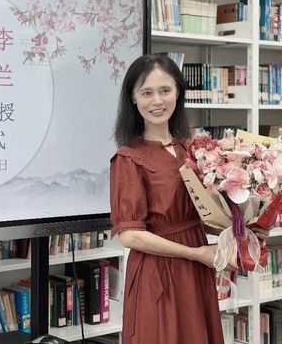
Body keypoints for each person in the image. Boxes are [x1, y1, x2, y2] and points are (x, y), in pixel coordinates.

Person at [110, 54, 268, 344]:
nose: (157, 101)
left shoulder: (193, 150)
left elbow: (202, 215)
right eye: (146, 93)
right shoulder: (128, 158)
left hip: (196, 266)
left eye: (165, 90)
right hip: (158, 271)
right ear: (133, 98)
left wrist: (242, 229)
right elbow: (130, 235)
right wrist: (196, 253)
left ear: (178, 92)